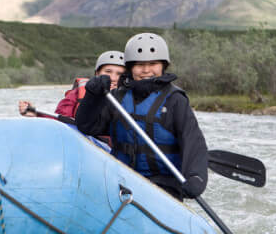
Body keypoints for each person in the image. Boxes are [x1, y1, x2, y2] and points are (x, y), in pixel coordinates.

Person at [75, 32, 208, 201]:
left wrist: (196, 176)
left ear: (163, 65)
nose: (146, 70)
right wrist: (92, 97)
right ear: (130, 67)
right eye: (139, 65)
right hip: (120, 179)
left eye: (153, 64)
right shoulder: (117, 97)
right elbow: (88, 126)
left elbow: (193, 141)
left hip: (163, 185)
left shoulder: (175, 100)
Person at [18, 50, 125, 120]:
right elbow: (60, 120)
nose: (113, 78)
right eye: (108, 72)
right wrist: (36, 115)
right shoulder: (77, 94)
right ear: (97, 73)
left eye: (119, 74)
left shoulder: (131, 97)